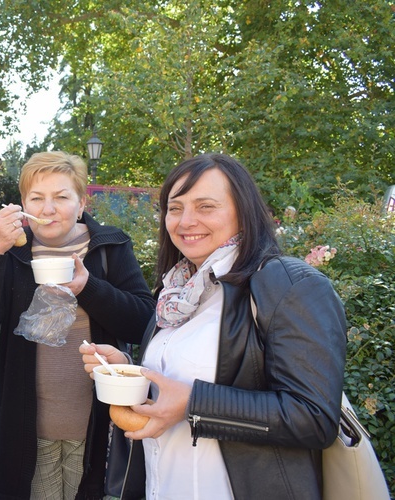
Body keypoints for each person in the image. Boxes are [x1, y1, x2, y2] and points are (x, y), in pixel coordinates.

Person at [80, 153, 347, 499]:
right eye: (175, 208)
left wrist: (196, 404)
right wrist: (133, 375)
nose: (185, 221)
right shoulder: (177, 291)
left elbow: (314, 418)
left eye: (206, 206)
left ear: (243, 212)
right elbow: (178, 385)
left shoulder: (290, 285)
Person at [0, 151, 156, 499]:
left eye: (61, 197)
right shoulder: (14, 253)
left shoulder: (110, 246)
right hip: (29, 431)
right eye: (37, 198)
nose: (48, 209)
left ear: (80, 204)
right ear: (23, 205)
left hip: (98, 429)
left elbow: (141, 322)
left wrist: (87, 288)